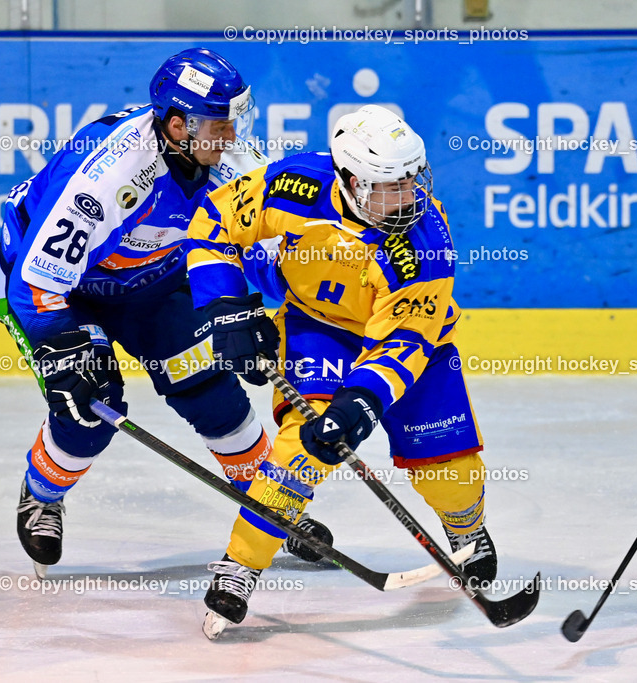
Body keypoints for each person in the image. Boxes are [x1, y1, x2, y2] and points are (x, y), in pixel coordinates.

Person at [186, 104, 499, 637]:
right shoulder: (292, 184)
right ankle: (241, 565)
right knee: (299, 452)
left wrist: (359, 403)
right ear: (350, 180)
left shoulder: (424, 243)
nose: (406, 199)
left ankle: (466, 526)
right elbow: (214, 222)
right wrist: (226, 310)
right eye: (388, 186)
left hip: (412, 343)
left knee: (448, 469)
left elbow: (404, 340)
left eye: (409, 181)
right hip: (318, 327)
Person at [0, 48, 278, 578]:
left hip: (153, 280)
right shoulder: (106, 178)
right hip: (59, 290)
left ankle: (270, 508)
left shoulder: (228, 161)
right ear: (178, 125)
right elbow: (37, 281)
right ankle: (42, 495)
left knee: (209, 386)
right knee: (91, 406)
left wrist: (248, 312)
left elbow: (257, 246)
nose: (234, 137)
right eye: (222, 124)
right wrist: (60, 352)